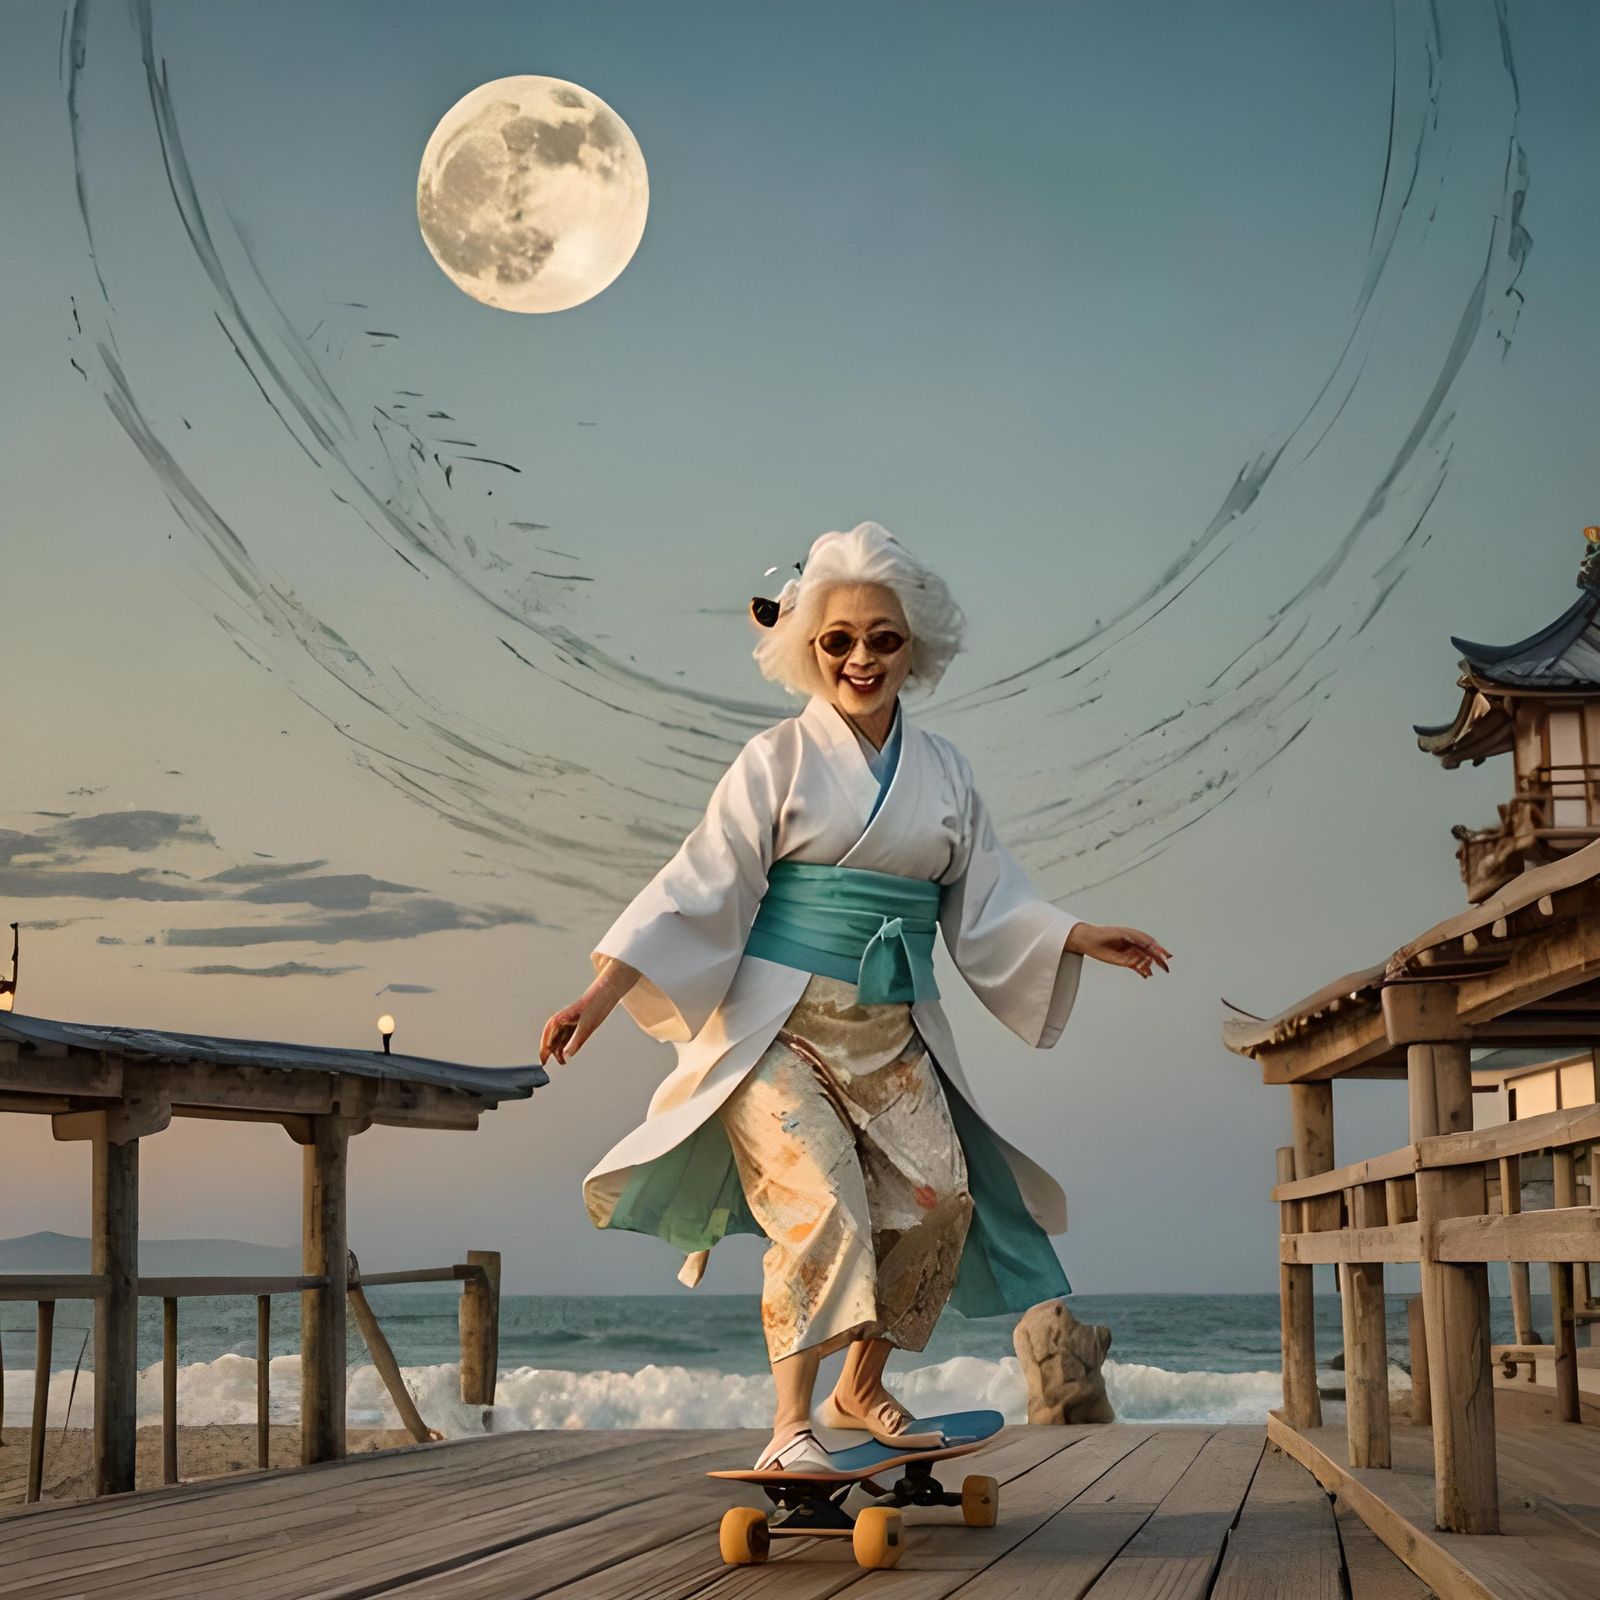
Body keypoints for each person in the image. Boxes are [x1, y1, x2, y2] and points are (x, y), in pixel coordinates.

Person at [539, 521, 1171, 1473]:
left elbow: (989, 898)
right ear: (808, 647)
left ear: (915, 647)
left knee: (940, 1201)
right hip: (779, 1028)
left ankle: (861, 1386)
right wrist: (600, 993)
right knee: (821, 1206)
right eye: (839, 641)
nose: (861, 657)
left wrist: (1075, 933)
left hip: (894, 1030)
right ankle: (792, 1423)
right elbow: (696, 885)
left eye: (883, 637)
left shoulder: (946, 771)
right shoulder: (775, 761)